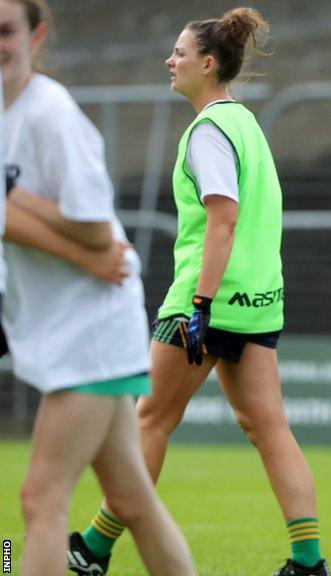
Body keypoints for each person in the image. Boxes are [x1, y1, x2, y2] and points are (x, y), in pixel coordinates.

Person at [65, 8, 330, 576]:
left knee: (150, 420)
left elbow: (223, 221)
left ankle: (93, 548)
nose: (170, 60)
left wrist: (202, 306)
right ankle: (309, 562)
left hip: (206, 300)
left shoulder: (208, 131)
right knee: (269, 429)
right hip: (260, 300)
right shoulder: (245, 124)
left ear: (208, 64)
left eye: (179, 53)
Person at [0, 1, 195, 575]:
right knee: (132, 499)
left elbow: (92, 223)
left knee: (40, 496)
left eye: (6, 31)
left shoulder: (49, 113)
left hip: (89, 331)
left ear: (36, 37)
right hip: (53, 324)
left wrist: (19, 206)